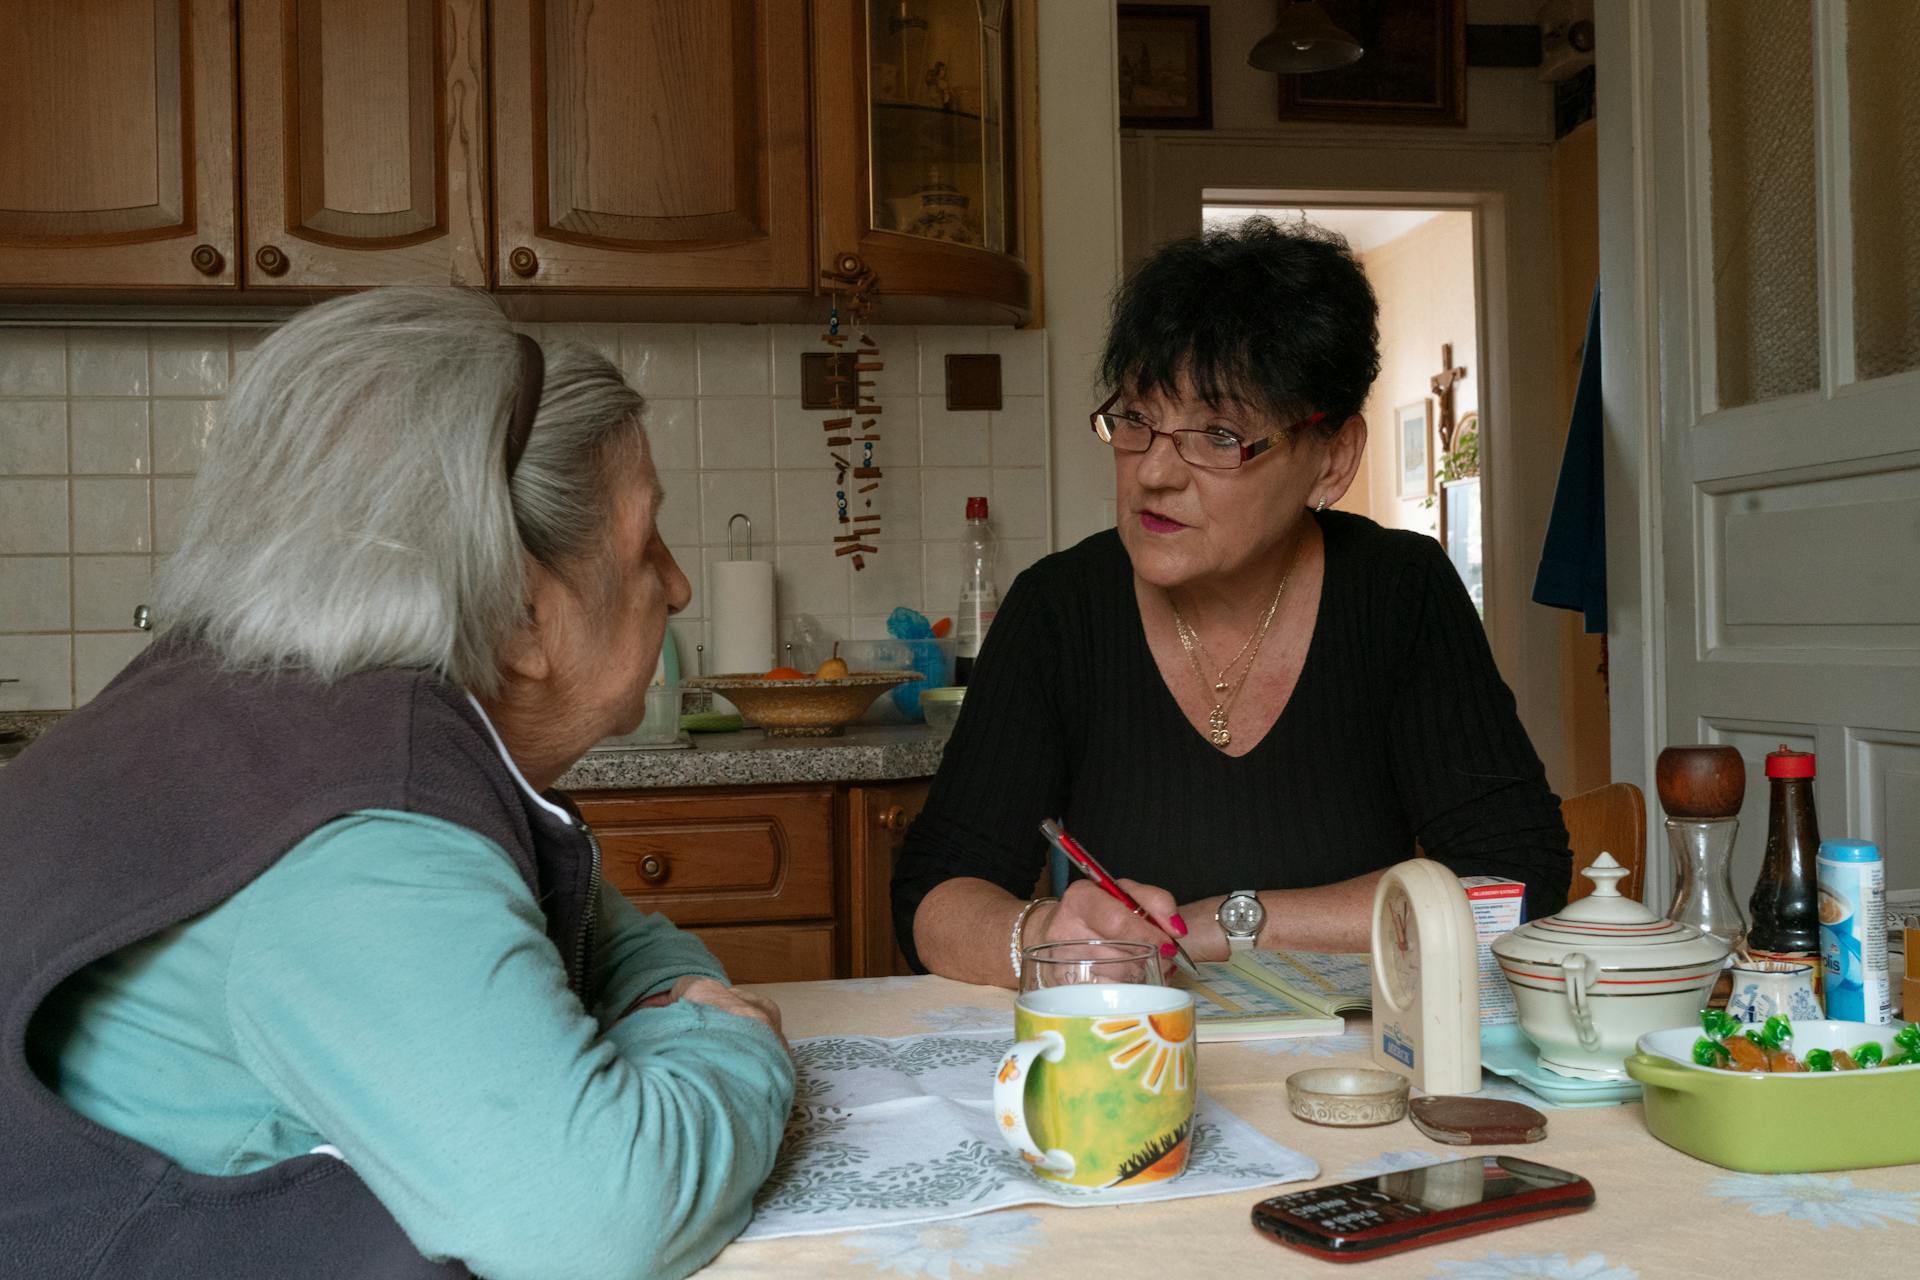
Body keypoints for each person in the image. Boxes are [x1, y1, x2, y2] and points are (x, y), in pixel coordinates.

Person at [0, 289, 793, 1280]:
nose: (676, 587)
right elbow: (597, 1221)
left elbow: (611, 936)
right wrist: (739, 1048)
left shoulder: (267, 718)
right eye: (644, 549)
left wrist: (671, 998)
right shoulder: (362, 839)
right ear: (517, 611)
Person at [893, 218, 1572, 987]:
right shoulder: (1059, 610)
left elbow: (1515, 882)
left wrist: (1217, 925)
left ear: (1333, 459)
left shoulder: (1398, 593)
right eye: (1137, 421)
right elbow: (934, 893)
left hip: (1362, 1072)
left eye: (1218, 434)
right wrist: (1043, 936)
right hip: (1134, 1064)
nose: (1153, 473)